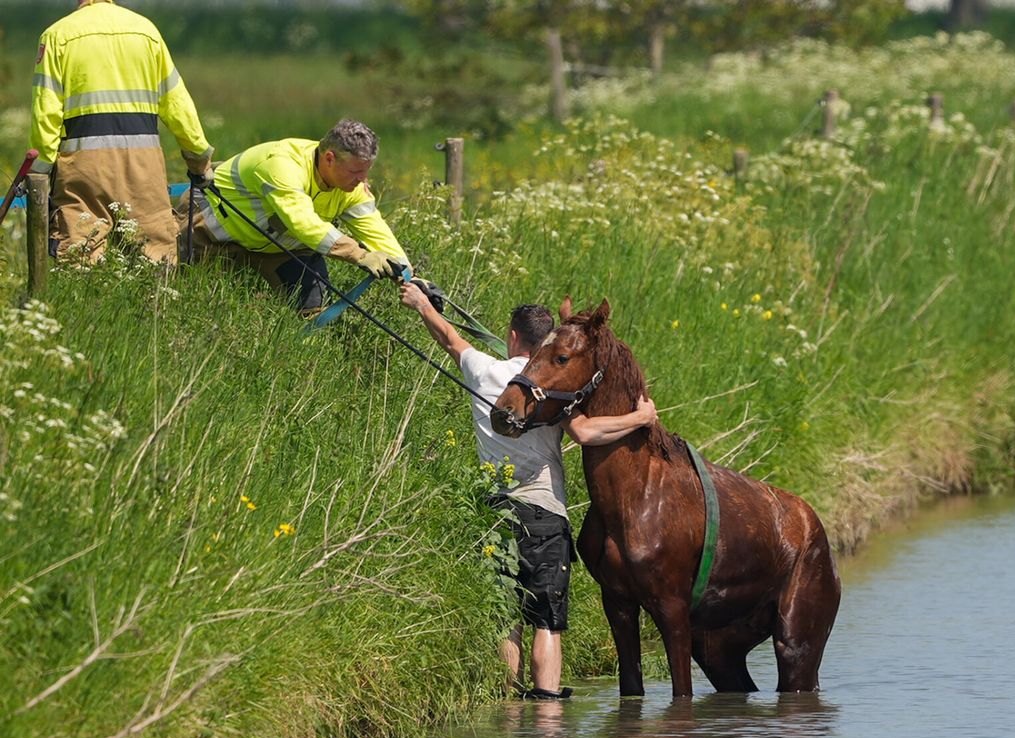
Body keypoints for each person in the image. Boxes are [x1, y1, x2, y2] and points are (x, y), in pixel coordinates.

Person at [400, 283, 658, 699]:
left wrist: (420, 303)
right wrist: (639, 416)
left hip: (494, 511)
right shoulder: (554, 392)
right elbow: (588, 433)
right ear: (547, 343)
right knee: (547, 618)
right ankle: (547, 708)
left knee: (507, 615)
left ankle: (509, 705)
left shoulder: (485, 371)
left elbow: (448, 337)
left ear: (513, 336)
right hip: (543, 512)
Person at [30, 0, 214, 264]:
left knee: (79, 257)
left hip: (83, 168)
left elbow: (46, 111)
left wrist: (39, 170)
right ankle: (159, 304)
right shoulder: (146, 31)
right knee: (156, 258)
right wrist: (199, 159)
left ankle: (81, 304)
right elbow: (177, 103)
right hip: (144, 164)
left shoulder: (57, 35)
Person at [179, 119, 410, 318]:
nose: (363, 179)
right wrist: (359, 255)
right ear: (329, 158)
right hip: (212, 230)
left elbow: (376, 230)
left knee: (315, 316)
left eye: (366, 171)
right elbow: (303, 223)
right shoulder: (282, 164)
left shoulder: (352, 187)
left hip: (278, 248)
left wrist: (409, 277)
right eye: (355, 172)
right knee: (173, 289)